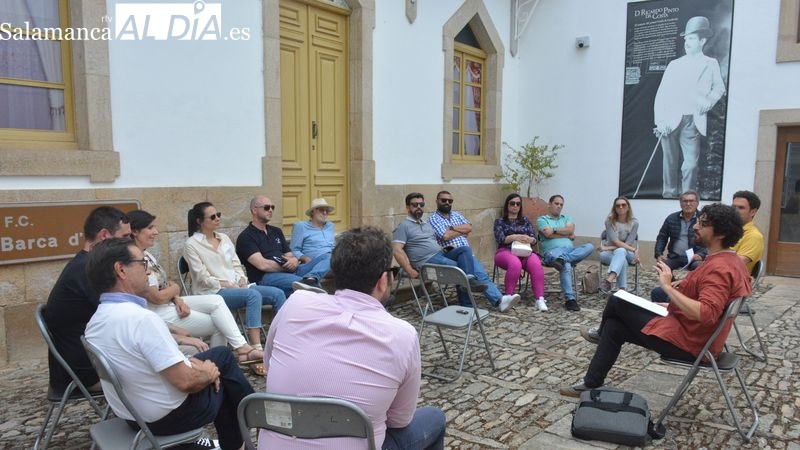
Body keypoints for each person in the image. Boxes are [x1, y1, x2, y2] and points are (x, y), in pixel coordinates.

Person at [260, 226, 446, 449]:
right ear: (383, 280)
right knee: (434, 418)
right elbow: (399, 420)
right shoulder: (402, 335)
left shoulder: (295, 303)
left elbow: (269, 364)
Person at [561, 203, 751, 397]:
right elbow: (709, 305)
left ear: (721, 234)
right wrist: (672, 304)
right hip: (691, 333)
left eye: (702, 224)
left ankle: (599, 336)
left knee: (617, 301)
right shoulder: (730, 260)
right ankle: (591, 383)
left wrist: (667, 287)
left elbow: (707, 313)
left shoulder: (719, 269)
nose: (695, 226)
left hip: (690, 343)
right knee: (614, 327)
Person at [84, 238, 254, 450]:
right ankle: (254, 421)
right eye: (143, 263)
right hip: (167, 418)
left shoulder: (95, 322)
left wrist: (194, 364)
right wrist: (209, 373)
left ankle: (245, 425)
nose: (148, 271)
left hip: (132, 414)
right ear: (121, 270)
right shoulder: (141, 319)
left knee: (219, 356)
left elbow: (143, 363)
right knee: (223, 367)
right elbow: (186, 382)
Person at [127, 209, 266, 375]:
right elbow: (157, 297)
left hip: (170, 303)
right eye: (150, 228)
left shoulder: (148, 255)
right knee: (220, 323)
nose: (156, 232)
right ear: (135, 231)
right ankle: (220, 365)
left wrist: (176, 297)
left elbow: (167, 283)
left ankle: (240, 350)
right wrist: (174, 290)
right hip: (156, 312)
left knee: (217, 302)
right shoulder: (133, 260)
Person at [44, 206, 132, 393]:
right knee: (167, 369)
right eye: (124, 237)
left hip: (89, 361)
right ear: (104, 235)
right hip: (86, 373)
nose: (129, 243)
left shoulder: (86, 264)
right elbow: (121, 318)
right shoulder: (87, 270)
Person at [183, 202, 287, 352]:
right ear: (199, 221)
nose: (217, 218)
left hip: (237, 286)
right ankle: (256, 347)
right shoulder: (191, 244)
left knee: (278, 294)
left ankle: (282, 339)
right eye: (212, 217)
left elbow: (236, 264)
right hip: (213, 291)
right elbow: (201, 277)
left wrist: (242, 279)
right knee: (253, 295)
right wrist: (226, 284)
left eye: (218, 215)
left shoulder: (224, 238)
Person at [653, 16, 726, 198]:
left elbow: (719, 88)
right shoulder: (675, 65)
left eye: (691, 38)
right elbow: (662, 94)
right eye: (686, 38)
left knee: (690, 165)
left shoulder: (710, 63)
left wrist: (708, 102)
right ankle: (669, 195)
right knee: (669, 162)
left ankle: (687, 199)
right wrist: (661, 121)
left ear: (702, 41)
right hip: (670, 119)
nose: (687, 42)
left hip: (692, 121)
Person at [429, 190, 520, 312]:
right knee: (468, 270)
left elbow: (469, 228)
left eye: (450, 201)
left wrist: (451, 228)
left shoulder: (456, 215)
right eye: (443, 200)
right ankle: (482, 302)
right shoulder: (433, 219)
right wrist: (461, 231)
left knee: (481, 275)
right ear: (437, 201)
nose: (447, 203)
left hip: (466, 254)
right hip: (450, 253)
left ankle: (497, 301)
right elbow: (445, 236)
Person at [392, 192, 487, 307]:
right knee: (460, 269)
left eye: (421, 205)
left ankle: (470, 279)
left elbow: (437, 240)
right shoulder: (403, 226)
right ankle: (467, 304)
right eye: (415, 205)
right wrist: (409, 270)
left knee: (465, 249)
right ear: (407, 207)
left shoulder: (426, 224)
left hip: (440, 253)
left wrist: (449, 248)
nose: (419, 207)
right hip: (426, 260)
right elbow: (397, 250)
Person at [236, 196, 330, 298]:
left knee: (328, 256)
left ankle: (311, 278)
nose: (270, 210)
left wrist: (294, 260)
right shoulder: (246, 237)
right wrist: (287, 267)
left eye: (272, 207)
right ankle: (309, 284)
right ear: (254, 210)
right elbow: (263, 265)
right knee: (308, 287)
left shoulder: (276, 231)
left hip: (292, 270)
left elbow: (289, 255)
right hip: (266, 276)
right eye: (266, 207)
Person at [536, 195, 594, 312]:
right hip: (553, 252)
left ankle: (563, 258)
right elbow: (547, 234)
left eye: (561, 204)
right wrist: (566, 234)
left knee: (590, 246)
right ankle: (570, 300)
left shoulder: (567, 218)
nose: (559, 206)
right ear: (549, 204)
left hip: (569, 250)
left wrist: (554, 230)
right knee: (566, 265)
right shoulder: (542, 220)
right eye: (556, 203)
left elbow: (570, 230)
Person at [492, 193, 547, 311]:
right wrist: (515, 237)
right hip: (505, 251)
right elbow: (500, 239)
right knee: (515, 263)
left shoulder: (525, 220)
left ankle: (540, 299)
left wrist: (529, 239)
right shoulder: (500, 221)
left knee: (536, 264)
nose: (515, 206)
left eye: (518, 204)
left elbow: (534, 239)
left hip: (525, 251)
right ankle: (507, 298)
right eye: (512, 203)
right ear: (507, 205)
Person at [654, 190, 707, 270]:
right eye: (685, 201)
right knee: (662, 267)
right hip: (675, 257)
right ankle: (669, 279)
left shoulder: (703, 219)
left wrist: (701, 254)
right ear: (680, 204)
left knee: (700, 267)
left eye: (691, 201)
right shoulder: (671, 218)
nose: (688, 204)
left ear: (697, 203)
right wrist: (658, 254)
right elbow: (662, 237)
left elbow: (710, 238)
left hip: (695, 258)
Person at [597, 196, 640, 292]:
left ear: (628, 207)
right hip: (610, 254)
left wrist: (606, 248)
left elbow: (628, 243)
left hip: (627, 253)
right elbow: (616, 241)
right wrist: (634, 250)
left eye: (623, 205)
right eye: (618, 205)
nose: (621, 207)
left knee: (621, 251)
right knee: (622, 259)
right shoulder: (609, 222)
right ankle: (622, 290)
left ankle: (609, 280)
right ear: (614, 208)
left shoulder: (634, 223)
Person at [290, 198, 335, 267]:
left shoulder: (330, 226)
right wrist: (304, 258)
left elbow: (333, 246)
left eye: (327, 210)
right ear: (312, 212)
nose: (325, 213)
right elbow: (294, 250)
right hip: (315, 261)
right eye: (321, 210)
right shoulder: (301, 226)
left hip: (332, 258)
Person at [730, 190, 764, 273]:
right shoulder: (729, 229)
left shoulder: (754, 236)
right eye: (733, 207)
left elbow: (734, 264)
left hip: (730, 279)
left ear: (753, 212)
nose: (735, 211)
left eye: (741, 208)